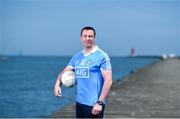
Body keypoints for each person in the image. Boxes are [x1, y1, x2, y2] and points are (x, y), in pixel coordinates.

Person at [54, 26, 112, 118]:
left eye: (90, 36)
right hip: (80, 103)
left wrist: (100, 103)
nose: (87, 39)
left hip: (94, 104)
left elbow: (108, 81)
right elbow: (65, 71)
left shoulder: (102, 56)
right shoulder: (77, 56)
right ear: (81, 38)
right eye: (85, 36)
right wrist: (57, 83)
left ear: (94, 38)